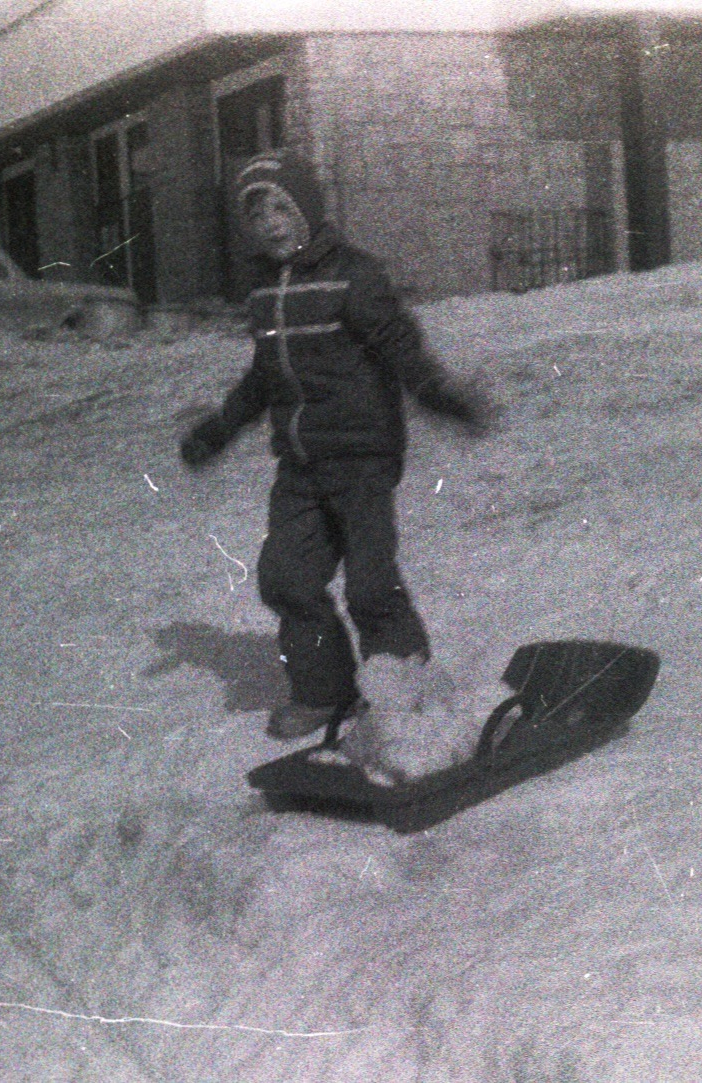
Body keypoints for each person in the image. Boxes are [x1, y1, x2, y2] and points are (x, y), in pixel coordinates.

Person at [179, 148, 497, 782]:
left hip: (361, 458)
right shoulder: (265, 291)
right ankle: (325, 688)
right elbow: (264, 376)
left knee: (371, 586)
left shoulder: (354, 276)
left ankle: (407, 698)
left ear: (306, 208)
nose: (270, 223)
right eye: (256, 212)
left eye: (281, 206)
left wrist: (445, 396)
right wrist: (219, 428)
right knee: (287, 578)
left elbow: (401, 350)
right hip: (300, 464)